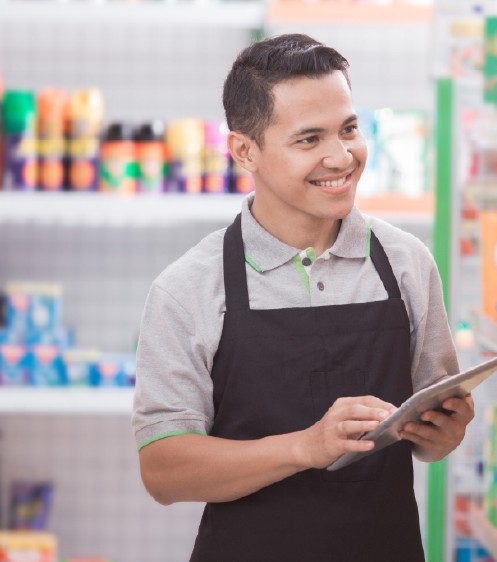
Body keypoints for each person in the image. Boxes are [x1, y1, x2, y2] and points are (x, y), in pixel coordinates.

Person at [132, 34, 473, 561]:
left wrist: (442, 431)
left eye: (350, 129)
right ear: (246, 151)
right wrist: (306, 447)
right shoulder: (189, 289)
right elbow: (163, 471)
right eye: (309, 139)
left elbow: (429, 443)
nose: (341, 157)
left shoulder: (406, 264)